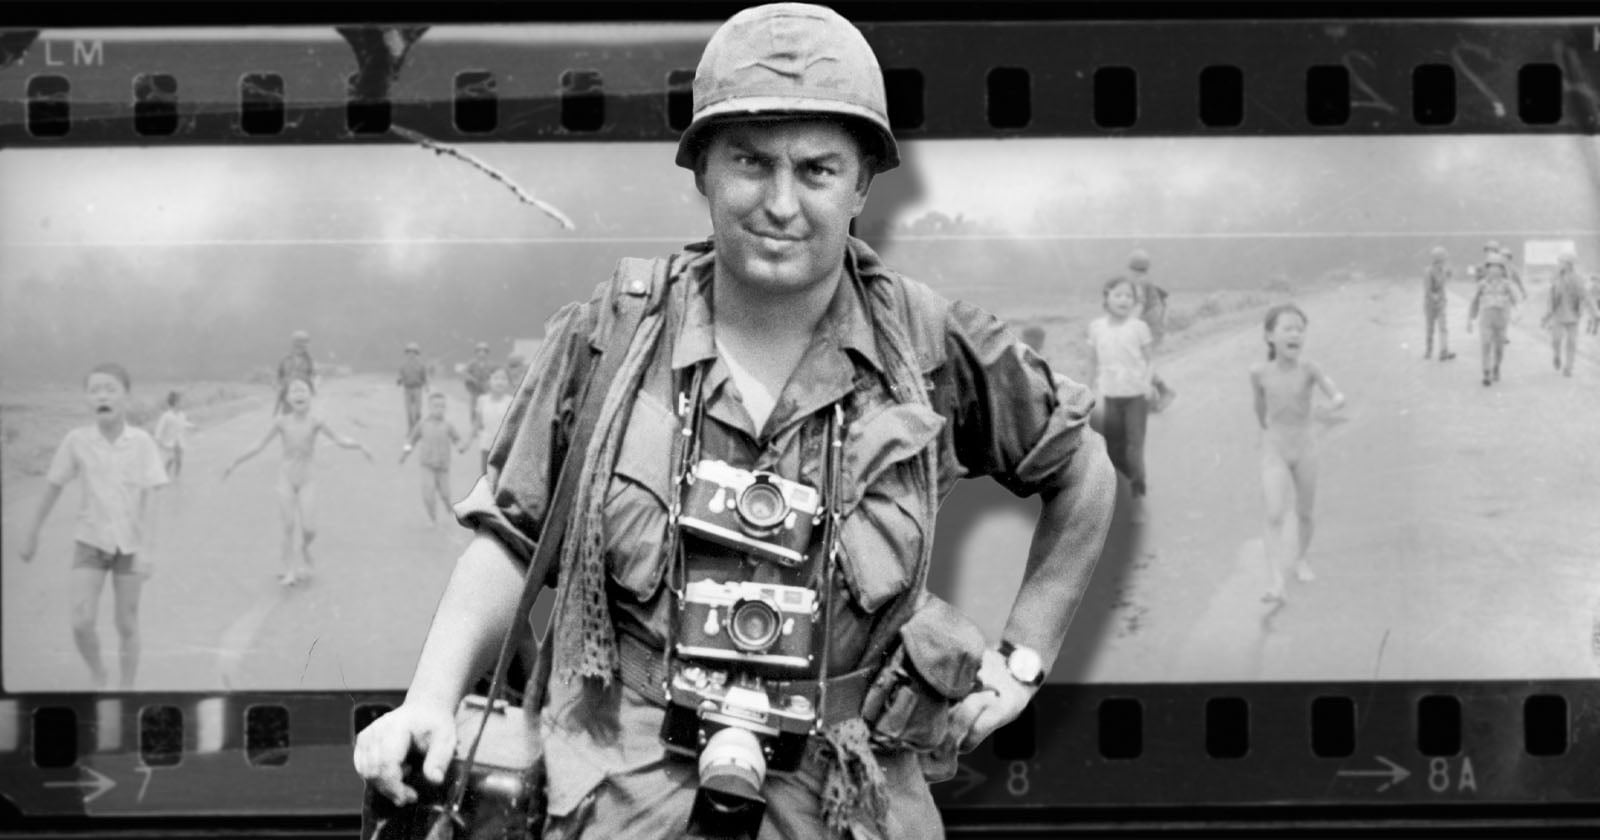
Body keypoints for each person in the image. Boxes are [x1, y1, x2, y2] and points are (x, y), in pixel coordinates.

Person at [353, 5, 1118, 839]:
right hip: (626, 789)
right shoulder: (610, 337)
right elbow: (510, 535)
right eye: (750, 162)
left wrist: (1023, 662)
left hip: (846, 796)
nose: (781, 203)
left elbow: (1081, 472)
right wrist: (427, 702)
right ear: (703, 172)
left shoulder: (929, 345)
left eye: (817, 169)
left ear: (864, 182)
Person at [18, 363, 168, 689]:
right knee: (81, 621)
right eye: (95, 389)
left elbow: (154, 495)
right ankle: (99, 672)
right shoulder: (76, 440)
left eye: (110, 388)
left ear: (126, 396)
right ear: (87, 399)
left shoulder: (141, 442)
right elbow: (53, 487)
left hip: (130, 545)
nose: (102, 395)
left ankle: (127, 689)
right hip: (90, 542)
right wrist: (31, 532)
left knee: (127, 624)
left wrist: (148, 551)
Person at [222, 377, 373, 585]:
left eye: (303, 391)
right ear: (287, 398)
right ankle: (289, 570)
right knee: (288, 525)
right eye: (294, 391)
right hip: (285, 477)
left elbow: (340, 439)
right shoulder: (281, 422)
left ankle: (304, 548)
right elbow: (258, 445)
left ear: (310, 397)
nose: (299, 394)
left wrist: (360, 445)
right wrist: (235, 462)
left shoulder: (316, 421)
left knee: (310, 529)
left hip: (307, 478)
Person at [1250, 305, 1345, 604]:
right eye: (1287, 328)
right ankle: (1276, 581)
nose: (1295, 334)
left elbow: (1336, 394)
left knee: (1304, 512)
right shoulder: (1258, 372)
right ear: (1270, 336)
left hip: (1305, 447)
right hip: (1275, 448)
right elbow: (1259, 406)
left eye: (1300, 329)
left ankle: (1301, 557)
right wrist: (1265, 433)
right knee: (1274, 513)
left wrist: (1333, 404)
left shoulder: (1310, 369)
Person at [1086, 276, 1154, 504]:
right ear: (1107, 297)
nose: (1124, 299)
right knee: (1114, 447)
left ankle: (1137, 496)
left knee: (1134, 447)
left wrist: (1148, 384)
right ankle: (1121, 495)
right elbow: (1092, 362)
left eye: (1129, 296)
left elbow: (1149, 360)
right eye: (1119, 294)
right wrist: (1088, 390)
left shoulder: (1139, 328)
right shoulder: (1096, 328)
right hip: (1110, 395)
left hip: (1136, 395)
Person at [400, 391, 471, 525]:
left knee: (445, 493)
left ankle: (448, 506)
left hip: (443, 466)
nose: (439, 409)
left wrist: (461, 447)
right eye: (436, 406)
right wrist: (404, 454)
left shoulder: (448, 425)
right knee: (428, 494)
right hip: (427, 465)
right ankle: (433, 518)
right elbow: (411, 441)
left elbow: (457, 439)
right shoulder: (422, 425)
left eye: (442, 406)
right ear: (429, 407)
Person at [1126, 248, 1177, 412]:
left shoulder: (1139, 282)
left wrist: (1128, 323)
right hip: (1153, 328)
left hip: (1150, 330)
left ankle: (1163, 391)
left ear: (1131, 268)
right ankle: (1151, 398)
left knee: (1140, 363)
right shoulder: (1146, 280)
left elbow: (1140, 304)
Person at [1467, 252, 1518, 387]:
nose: (1494, 270)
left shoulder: (1507, 285)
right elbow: (1474, 301)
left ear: (1502, 269)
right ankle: (1486, 372)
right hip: (1486, 319)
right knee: (1486, 344)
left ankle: (1496, 366)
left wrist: (1517, 313)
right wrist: (1470, 320)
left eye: (1498, 267)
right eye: (1491, 267)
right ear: (1487, 268)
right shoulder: (1482, 284)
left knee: (1499, 349)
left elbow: (1515, 300)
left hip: (1501, 320)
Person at [1542, 252, 1597, 377]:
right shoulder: (1556, 278)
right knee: (1556, 339)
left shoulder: (1577, 279)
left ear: (1569, 264)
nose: (1559, 265)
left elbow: (1586, 296)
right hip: (1558, 315)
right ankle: (1556, 355)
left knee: (1571, 342)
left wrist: (1594, 312)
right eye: (1559, 262)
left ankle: (1568, 367)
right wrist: (1547, 314)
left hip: (1573, 315)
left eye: (1562, 262)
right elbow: (1550, 297)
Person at [469, 367, 515, 474]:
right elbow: (477, 422)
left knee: (503, 478)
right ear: (489, 381)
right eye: (496, 378)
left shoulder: (512, 402)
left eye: (503, 378)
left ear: (508, 383)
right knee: (486, 477)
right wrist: (467, 442)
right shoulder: (482, 400)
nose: (499, 381)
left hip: (505, 448)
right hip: (486, 446)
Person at [1421, 246, 1457, 361]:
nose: (1444, 262)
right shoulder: (1428, 271)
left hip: (1441, 303)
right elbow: (1427, 289)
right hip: (1430, 304)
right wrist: (1434, 298)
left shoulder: (1443, 270)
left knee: (1443, 327)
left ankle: (1444, 351)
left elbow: (1448, 279)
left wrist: (1449, 273)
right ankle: (1428, 351)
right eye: (1443, 260)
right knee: (1430, 328)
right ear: (1437, 260)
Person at [153, 390, 196, 478]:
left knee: (179, 462)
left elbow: (183, 423)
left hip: (179, 442)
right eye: (181, 402)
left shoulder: (182, 414)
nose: (183, 403)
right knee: (170, 461)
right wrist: (159, 442)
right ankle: (164, 477)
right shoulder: (166, 416)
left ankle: (177, 478)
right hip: (168, 443)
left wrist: (193, 426)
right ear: (176, 403)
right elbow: (159, 430)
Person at [275, 330, 316, 416]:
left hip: (302, 394)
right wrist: (280, 386)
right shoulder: (285, 359)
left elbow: (312, 376)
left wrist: (311, 387)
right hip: (288, 394)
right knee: (287, 419)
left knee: (302, 419)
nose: (300, 348)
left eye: (303, 346)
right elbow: (279, 375)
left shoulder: (309, 360)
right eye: (298, 345)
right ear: (293, 345)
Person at [397, 341, 429, 431]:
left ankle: (417, 429)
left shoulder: (421, 365)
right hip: (407, 389)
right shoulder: (403, 365)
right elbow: (400, 375)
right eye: (409, 352)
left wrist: (426, 386)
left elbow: (425, 377)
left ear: (417, 353)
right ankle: (411, 429)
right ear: (406, 353)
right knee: (409, 412)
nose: (411, 354)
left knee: (418, 412)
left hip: (417, 389)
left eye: (414, 352)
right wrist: (399, 380)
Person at [464, 341, 495, 429]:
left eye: (484, 351)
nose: (482, 354)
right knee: (474, 408)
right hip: (475, 390)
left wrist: (489, 382)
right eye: (479, 351)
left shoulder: (490, 364)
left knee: (485, 407)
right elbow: (466, 373)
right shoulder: (472, 363)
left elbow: (493, 375)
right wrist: (472, 379)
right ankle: (474, 425)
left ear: (487, 353)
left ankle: (484, 425)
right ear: (476, 353)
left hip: (485, 390)